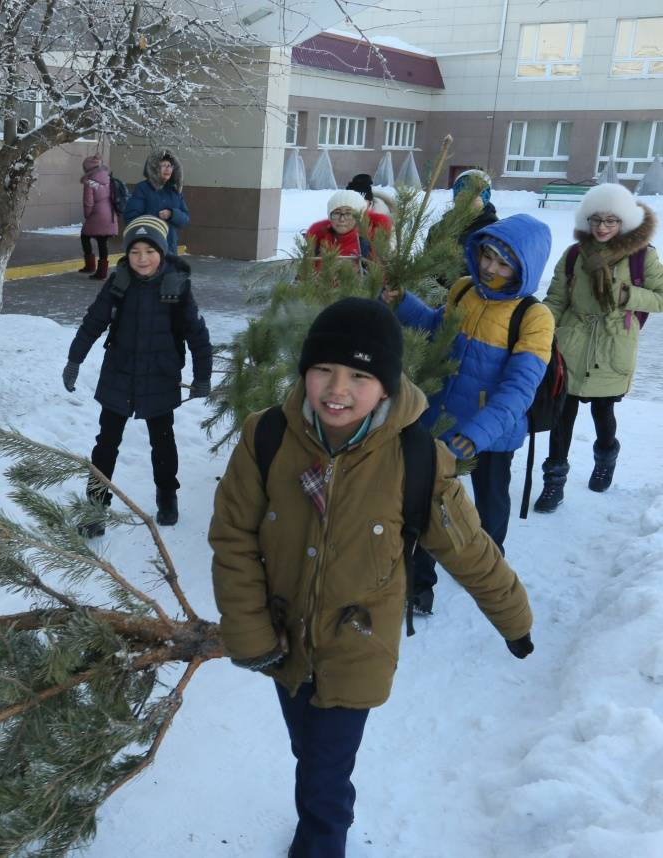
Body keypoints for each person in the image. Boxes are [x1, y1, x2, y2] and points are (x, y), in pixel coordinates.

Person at [209, 297, 534, 858]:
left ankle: (320, 843)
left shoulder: (416, 458)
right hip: (283, 641)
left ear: (386, 386)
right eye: (324, 370)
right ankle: (319, 820)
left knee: (326, 772)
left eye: (360, 376)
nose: (338, 389)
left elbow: (468, 548)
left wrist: (515, 618)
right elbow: (233, 537)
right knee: (310, 753)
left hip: (358, 646)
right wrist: (252, 632)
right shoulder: (268, 438)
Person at [381, 214, 553, 614]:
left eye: (503, 263)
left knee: (489, 506)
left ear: (525, 267)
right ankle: (419, 587)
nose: (490, 268)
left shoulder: (533, 317)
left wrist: (477, 434)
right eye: (487, 256)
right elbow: (436, 327)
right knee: (426, 502)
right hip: (440, 420)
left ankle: (487, 567)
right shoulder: (463, 290)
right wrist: (402, 302)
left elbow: (519, 389)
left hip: (491, 434)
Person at [62, 215, 212, 533]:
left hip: (160, 376)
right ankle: (95, 506)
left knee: (163, 441)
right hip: (119, 373)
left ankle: (167, 496)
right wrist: (74, 360)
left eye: (150, 251)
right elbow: (93, 322)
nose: (142, 258)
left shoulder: (177, 286)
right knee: (106, 442)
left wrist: (202, 376)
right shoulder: (119, 282)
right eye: (135, 252)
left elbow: (197, 334)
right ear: (127, 253)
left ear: (162, 251)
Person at [534, 183, 663, 511]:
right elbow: (557, 298)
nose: (602, 227)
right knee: (562, 415)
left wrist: (627, 295)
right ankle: (554, 482)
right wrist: (541, 328)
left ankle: (606, 457)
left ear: (623, 221)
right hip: (573, 343)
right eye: (595, 220)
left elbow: (660, 297)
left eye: (610, 220)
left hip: (613, 345)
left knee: (603, 413)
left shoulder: (642, 256)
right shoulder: (574, 254)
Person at [426, 169, 499, 285]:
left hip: (475, 293)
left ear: (485, 197)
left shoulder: (495, 233)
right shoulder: (437, 230)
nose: (468, 199)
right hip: (437, 293)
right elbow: (426, 268)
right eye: (463, 192)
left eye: (475, 194)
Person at [122, 148, 189, 256]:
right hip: (149, 248)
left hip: (170, 248)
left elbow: (185, 219)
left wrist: (172, 214)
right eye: (163, 165)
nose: (167, 169)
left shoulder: (175, 191)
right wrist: (152, 223)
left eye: (170, 165)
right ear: (154, 168)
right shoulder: (143, 188)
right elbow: (131, 217)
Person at [304, 190, 393, 264]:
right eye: (337, 213)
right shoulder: (319, 242)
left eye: (349, 214)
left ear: (359, 217)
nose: (342, 219)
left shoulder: (371, 245)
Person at [78, 154, 118, 281]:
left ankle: (90, 266)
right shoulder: (108, 178)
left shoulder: (90, 182)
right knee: (102, 241)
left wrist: (87, 215)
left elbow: (88, 202)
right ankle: (102, 272)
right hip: (110, 213)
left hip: (97, 213)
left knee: (85, 236)